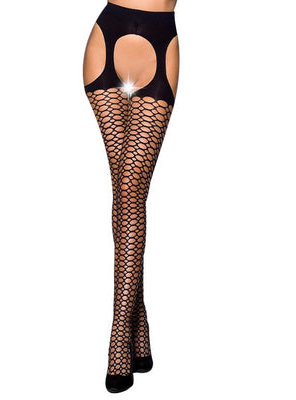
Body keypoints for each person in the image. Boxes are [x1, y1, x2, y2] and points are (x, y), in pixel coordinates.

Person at [82, 0, 179, 393]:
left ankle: (124, 329)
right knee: (124, 191)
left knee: (129, 189)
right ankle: (131, 330)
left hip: (160, 42)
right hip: (105, 38)